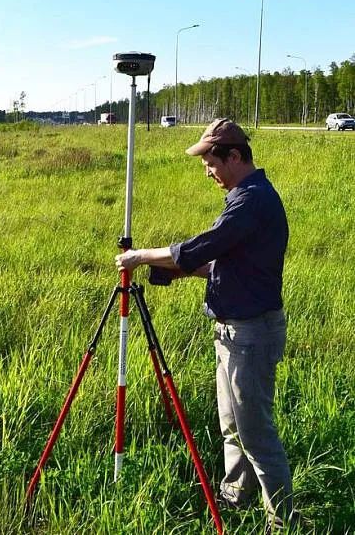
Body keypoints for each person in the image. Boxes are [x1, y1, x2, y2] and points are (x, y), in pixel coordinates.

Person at [114, 118, 294, 530]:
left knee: (256, 434)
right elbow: (224, 263)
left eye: (211, 162)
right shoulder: (244, 198)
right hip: (234, 330)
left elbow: (202, 247)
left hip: (250, 333)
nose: (207, 171)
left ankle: (283, 521)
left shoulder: (252, 201)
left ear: (234, 156)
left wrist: (141, 256)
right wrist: (177, 272)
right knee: (232, 425)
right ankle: (236, 496)